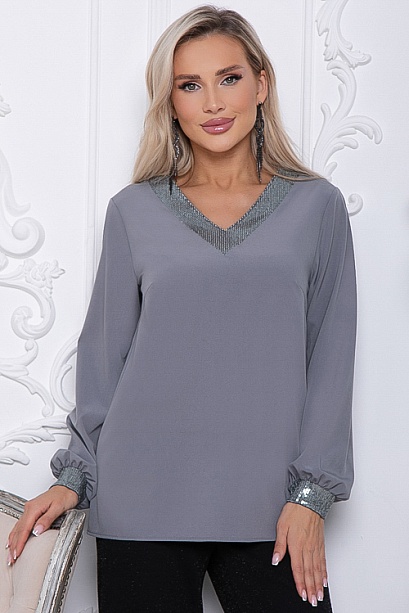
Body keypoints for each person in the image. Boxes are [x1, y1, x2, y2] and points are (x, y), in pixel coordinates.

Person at [6, 6, 356, 611]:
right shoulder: (133, 211)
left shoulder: (317, 207)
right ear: (170, 104)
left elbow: (331, 353)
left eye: (229, 78)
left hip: (273, 504)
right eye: (189, 85)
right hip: (141, 499)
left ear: (262, 84)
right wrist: (75, 478)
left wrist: (311, 495)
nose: (213, 102)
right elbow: (105, 357)